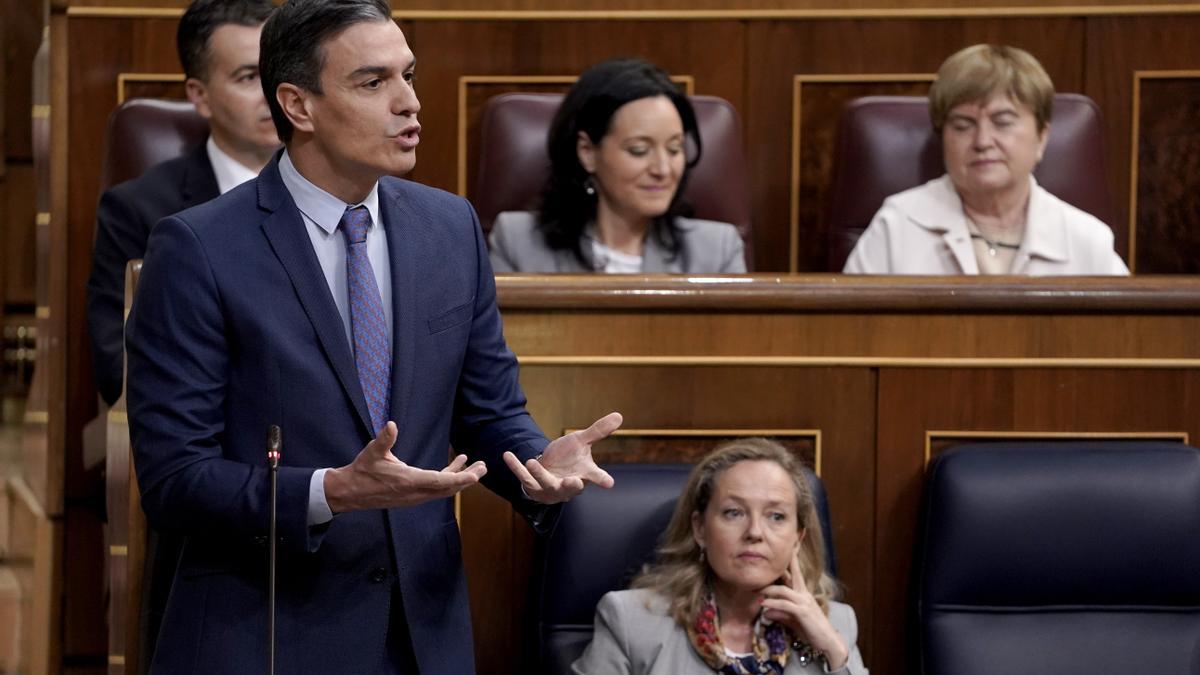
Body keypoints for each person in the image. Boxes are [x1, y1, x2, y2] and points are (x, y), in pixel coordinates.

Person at [124, 1, 620, 673]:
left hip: (422, 632)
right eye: (373, 81)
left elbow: (489, 412)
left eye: (409, 75)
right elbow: (176, 480)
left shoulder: (451, 227)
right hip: (266, 631)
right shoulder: (198, 248)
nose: (410, 102)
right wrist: (331, 490)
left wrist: (537, 466)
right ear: (298, 105)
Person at [86, 0, 280, 407]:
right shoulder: (141, 210)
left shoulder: (345, 192)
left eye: (278, 70)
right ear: (200, 96)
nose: (273, 93)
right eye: (248, 77)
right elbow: (115, 365)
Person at [573, 438, 868, 674]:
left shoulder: (836, 625)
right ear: (700, 528)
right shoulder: (631, 621)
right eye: (734, 512)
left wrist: (833, 650)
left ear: (797, 538)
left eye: (776, 516)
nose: (755, 532)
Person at [843, 44, 1129, 276]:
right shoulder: (897, 226)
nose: (982, 141)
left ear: (1042, 136)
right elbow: (852, 337)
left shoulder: (1087, 241)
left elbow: (1124, 340)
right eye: (963, 125)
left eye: (1002, 122)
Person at [488, 58, 746, 274]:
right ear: (587, 152)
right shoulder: (517, 243)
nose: (663, 169)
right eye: (639, 150)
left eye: (674, 148)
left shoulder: (717, 251)